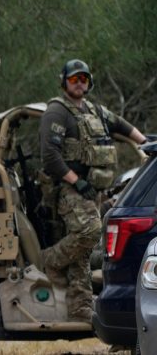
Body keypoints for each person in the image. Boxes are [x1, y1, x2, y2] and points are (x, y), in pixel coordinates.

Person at [39, 59, 147, 323]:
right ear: (64, 81)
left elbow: (121, 125)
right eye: (74, 79)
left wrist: (145, 142)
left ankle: (80, 305)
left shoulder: (94, 110)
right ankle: (49, 260)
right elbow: (50, 156)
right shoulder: (57, 111)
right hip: (69, 189)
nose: (79, 84)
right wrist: (77, 181)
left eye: (84, 79)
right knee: (89, 231)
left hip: (93, 189)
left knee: (84, 251)